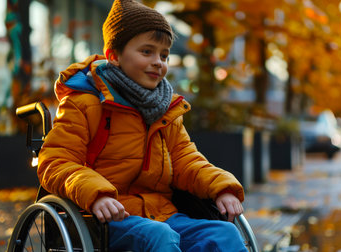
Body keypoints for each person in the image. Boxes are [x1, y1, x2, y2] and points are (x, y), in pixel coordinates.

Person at [37, 0, 246, 251]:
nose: (158, 61)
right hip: (104, 218)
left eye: (164, 55)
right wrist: (96, 194)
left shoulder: (166, 109)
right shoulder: (84, 103)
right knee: (159, 237)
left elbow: (186, 161)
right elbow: (55, 161)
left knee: (223, 234)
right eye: (147, 52)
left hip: (163, 214)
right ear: (114, 56)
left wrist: (221, 187)